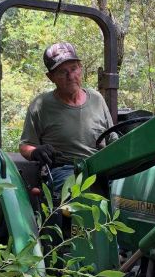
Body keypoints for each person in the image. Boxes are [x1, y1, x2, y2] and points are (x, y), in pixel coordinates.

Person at [18, 41, 115, 197]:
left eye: (74, 69)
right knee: (81, 196)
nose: (71, 77)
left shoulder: (97, 99)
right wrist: (36, 151)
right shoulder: (41, 105)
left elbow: (113, 139)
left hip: (102, 168)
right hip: (66, 169)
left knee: (132, 189)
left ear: (81, 69)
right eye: (62, 72)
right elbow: (25, 146)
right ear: (51, 77)